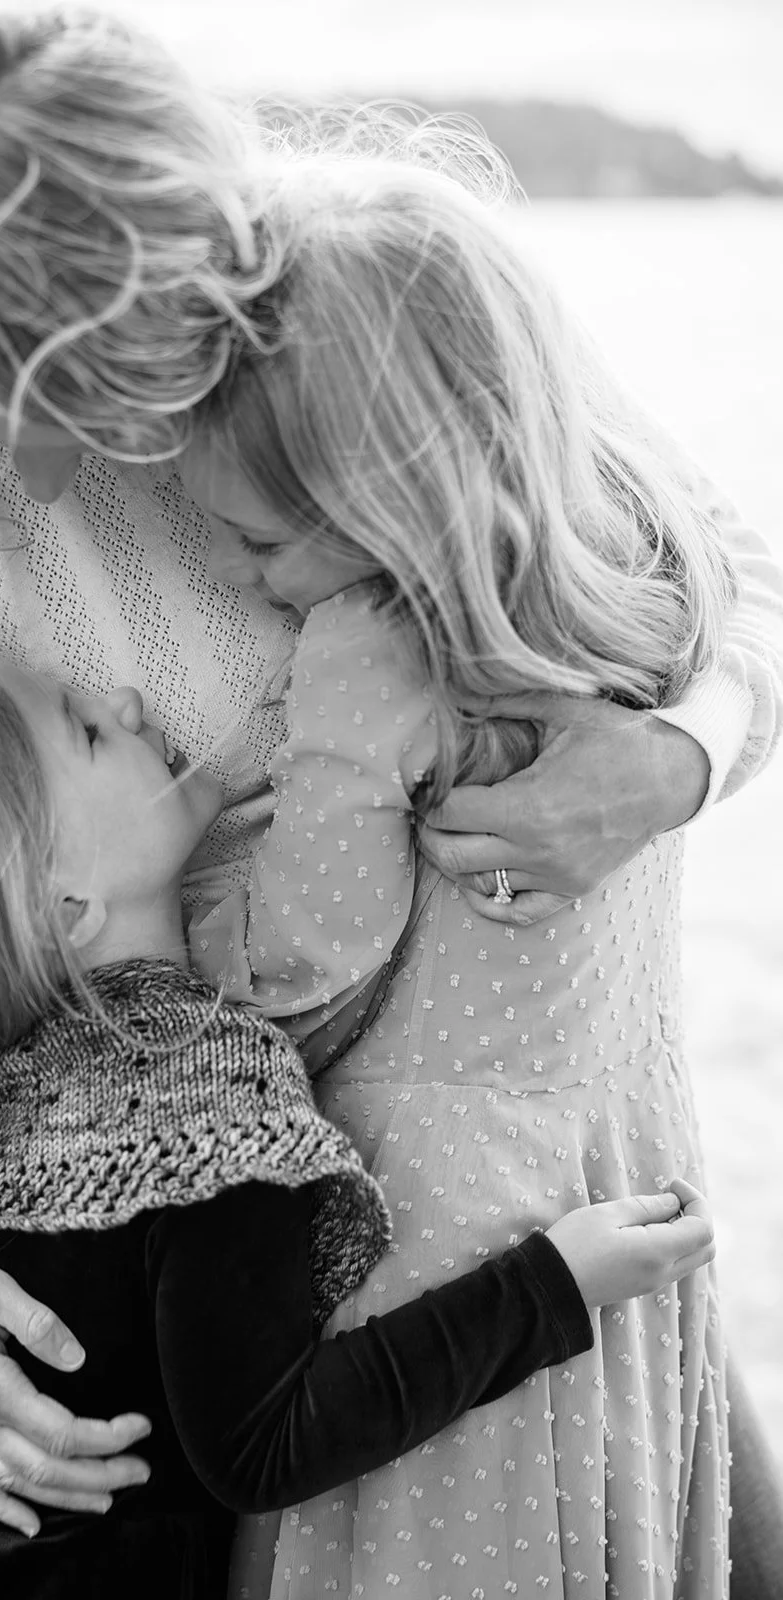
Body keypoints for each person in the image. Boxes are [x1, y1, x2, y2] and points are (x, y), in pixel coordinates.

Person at [0, 3, 783, 1588]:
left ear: (168, 299)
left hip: (531, 1171)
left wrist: (678, 755)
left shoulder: (343, 348)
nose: (17, 471)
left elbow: (711, 564)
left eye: (55, 400)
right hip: (262, 1289)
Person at [0, 655, 715, 1600]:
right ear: (68, 904)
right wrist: (549, 1283)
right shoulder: (200, 1099)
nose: (120, 697)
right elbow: (264, 1443)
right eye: (83, 729)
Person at [175, 146, 746, 1596]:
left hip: (430, 1240)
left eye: (257, 539)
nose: (250, 581)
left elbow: (313, 948)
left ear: (380, 496)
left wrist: (194, 901)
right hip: (614, 1169)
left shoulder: (367, 647)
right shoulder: (648, 573)